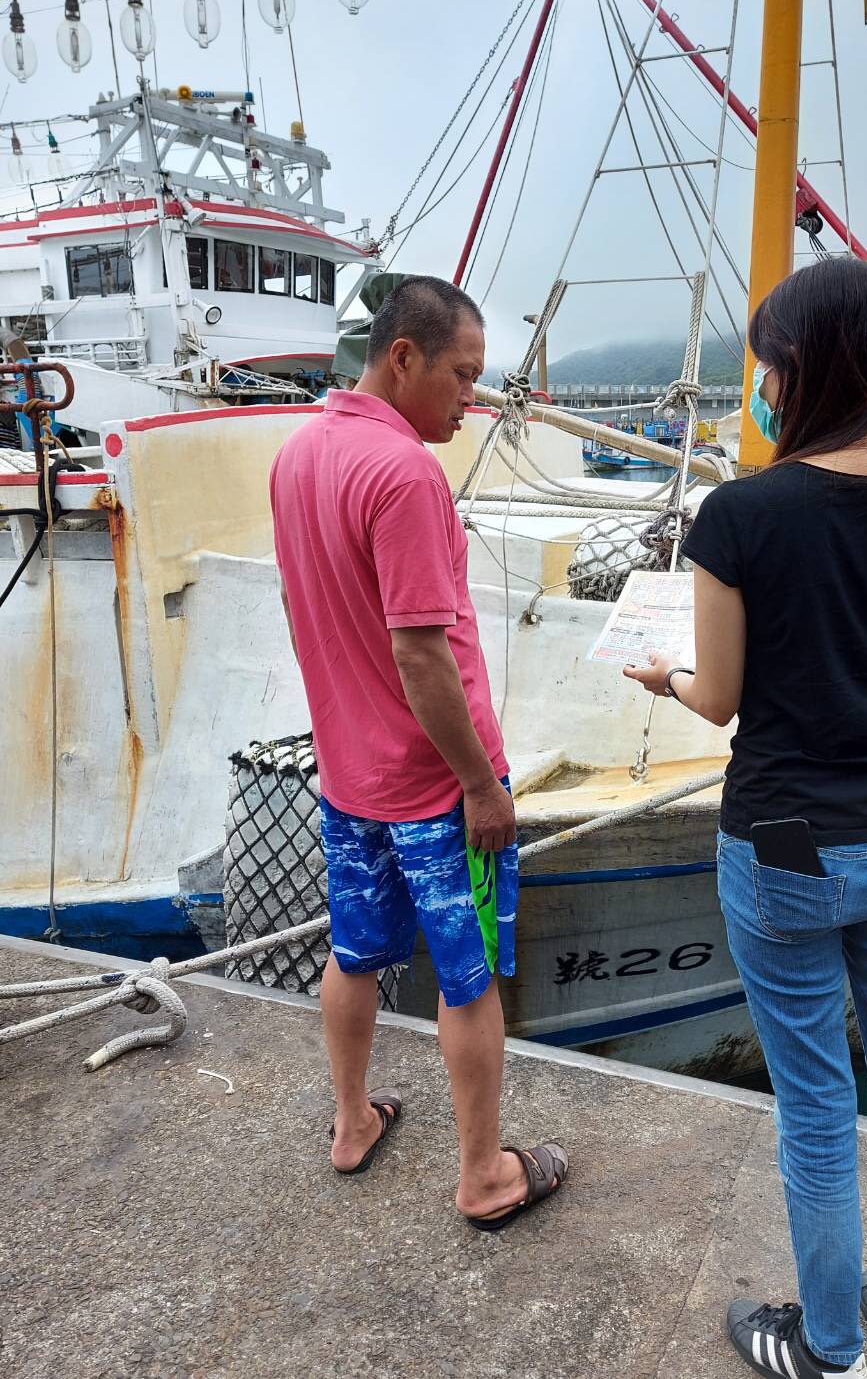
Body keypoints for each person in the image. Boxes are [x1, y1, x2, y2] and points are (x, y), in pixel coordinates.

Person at [625, 257, 867, 1379]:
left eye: (768, 365)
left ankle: (829, 1347)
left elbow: (722, 697)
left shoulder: (742, 512)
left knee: (815, 1106)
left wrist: (663, 678)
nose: (763, 383)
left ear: (798, 371)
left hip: (788, 838)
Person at [269, 274, 567, 1230]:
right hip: (436, 787)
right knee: (469, 974)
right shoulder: (403, 475)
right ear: (404, 358)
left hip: (349, 778)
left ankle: (352, 1121)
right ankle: (485, 1175)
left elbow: (315, 612)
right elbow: (418, 649)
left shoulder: (299, 454)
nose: (471, 401)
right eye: (463, 377)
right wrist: (479, 782)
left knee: (353, 953)